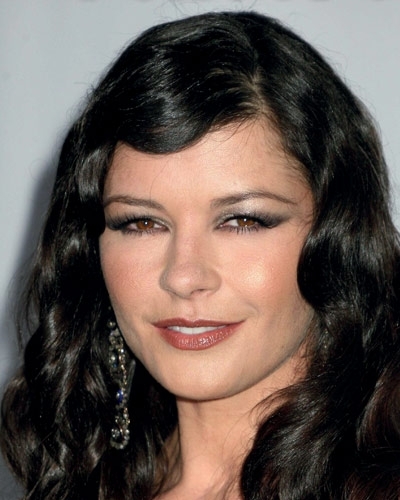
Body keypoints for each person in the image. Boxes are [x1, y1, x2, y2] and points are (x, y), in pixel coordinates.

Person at [1, 10, 400, 500]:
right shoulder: (74, 483)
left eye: (242, 221)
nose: (184, 276)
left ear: (338, 236)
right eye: (142, 223)